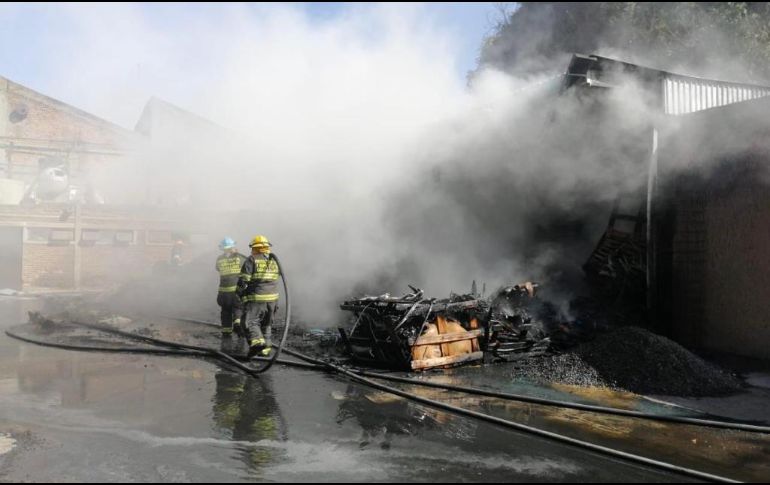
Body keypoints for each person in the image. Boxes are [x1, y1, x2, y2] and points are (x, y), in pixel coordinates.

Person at [237, 235, 280, 358]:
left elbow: (243, 281)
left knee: (250, 322)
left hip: (257, 298)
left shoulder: (252, 259)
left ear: (255, 248)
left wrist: (240, 292)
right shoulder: (274, 260)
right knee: (266, 324)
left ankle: (257, 344)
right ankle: (265, 350)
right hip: (273, 299)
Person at [215, 238, 247, 337]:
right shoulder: (240, 258)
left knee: (225, 311)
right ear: (233, 247)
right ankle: (237, 324)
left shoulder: (219, 259)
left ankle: (226, 332)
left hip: (223, 292)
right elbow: (248, 266)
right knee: (239, 307)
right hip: (235, 291)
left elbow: (217, 268)